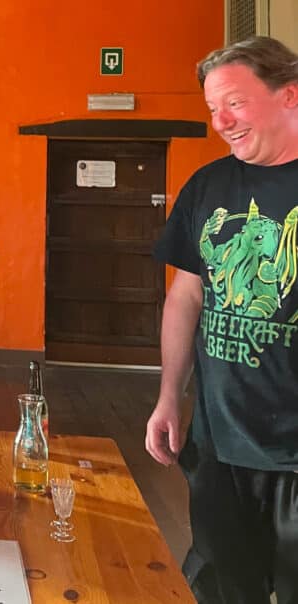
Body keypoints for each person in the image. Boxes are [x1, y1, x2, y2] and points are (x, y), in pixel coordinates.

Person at [145, 36, 298, 603]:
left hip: (294, 455)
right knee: (224, 591)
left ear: (289, 94)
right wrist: (169, 396)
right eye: (213, 109)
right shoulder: (208, 186)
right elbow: (186, 296)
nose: (221, 123)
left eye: (234, 103)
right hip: (219, 444)